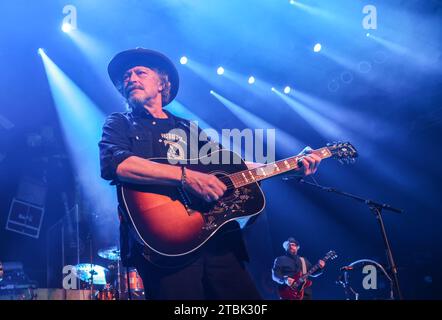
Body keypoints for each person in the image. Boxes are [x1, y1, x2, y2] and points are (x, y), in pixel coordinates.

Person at [99, 48, 322, 300]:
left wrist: (290, 167)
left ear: (163, 83)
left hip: (217, 241)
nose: (131, 78)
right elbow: (116, 165)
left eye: (140, 72)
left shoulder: (187, 128)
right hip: (166, 249)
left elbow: (233, 166)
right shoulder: (120, 122)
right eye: (127, 75)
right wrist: (186, 176)